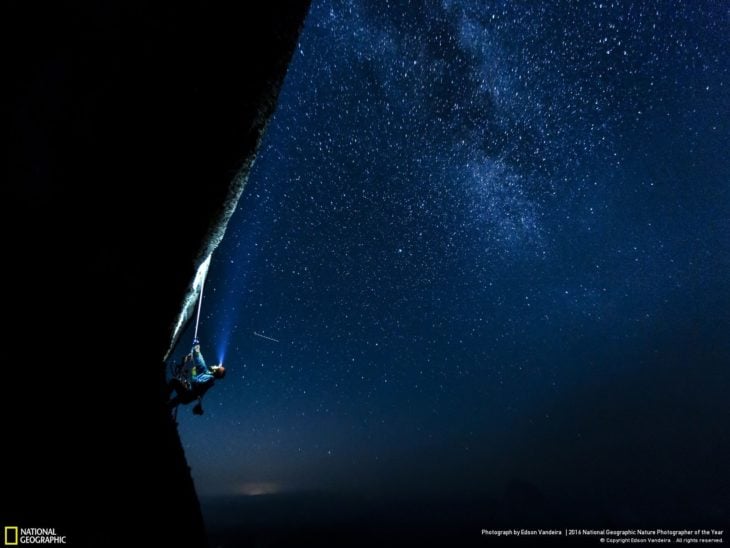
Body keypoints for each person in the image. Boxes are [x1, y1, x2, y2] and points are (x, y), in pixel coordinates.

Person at [167, 339, 226, 415]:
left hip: (187, 395)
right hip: (187, 396)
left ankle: (164, 396)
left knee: (174, 382)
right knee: (173, 403)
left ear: (215, 371)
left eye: (217, 367)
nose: (215, 365)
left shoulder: (210, 378)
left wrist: (194, 372)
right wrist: (197, 351)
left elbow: (196, 380)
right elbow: (202, 363)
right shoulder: (208, 373)